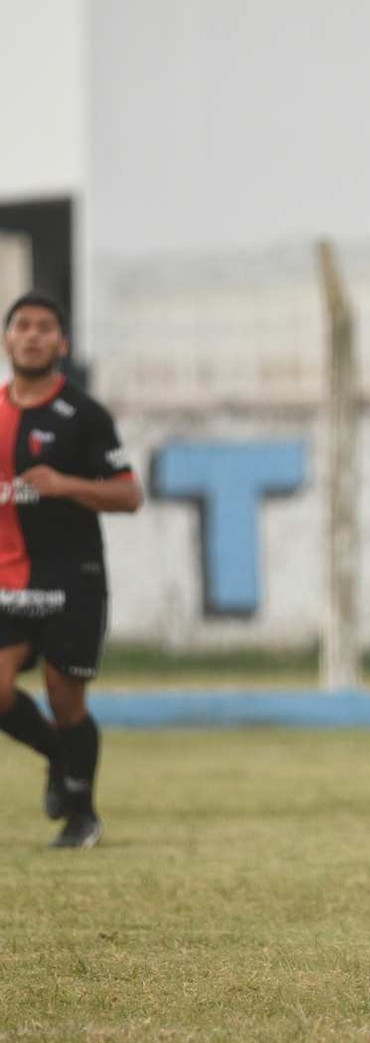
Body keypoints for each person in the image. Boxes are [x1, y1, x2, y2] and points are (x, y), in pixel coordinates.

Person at [0, 291, 143, 848]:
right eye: (22, 326)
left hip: (71, 576)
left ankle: (81, 813)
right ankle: (60, 757)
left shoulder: (83, 415)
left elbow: (129, 495)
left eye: (45, 327)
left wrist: (65, 486)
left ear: (63, 343)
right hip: (8, 578)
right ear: (9, 339)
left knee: (66, 698)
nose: (33, 335)